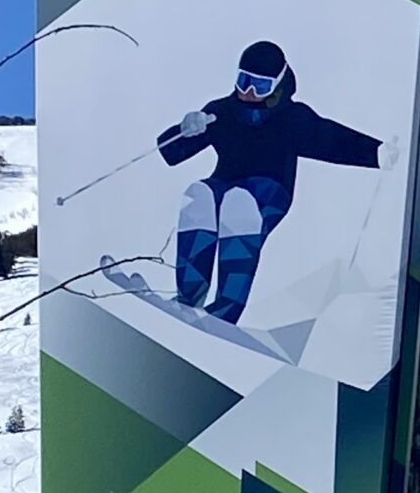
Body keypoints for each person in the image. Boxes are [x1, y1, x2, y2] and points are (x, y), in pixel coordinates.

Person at [155, 41, 381, 324]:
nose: (248, 93)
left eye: (259, 86)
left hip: (269, 190)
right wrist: (184, 130)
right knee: (197, 196)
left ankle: (227, 308)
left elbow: (333, 139)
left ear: (277, 84)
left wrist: (378, 153)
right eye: (244, 81)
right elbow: (171, 152)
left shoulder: (292, 119)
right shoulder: (221, 112)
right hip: (222, 185)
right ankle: (189, 297)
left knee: (239, 205)